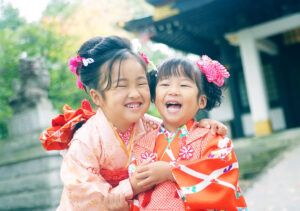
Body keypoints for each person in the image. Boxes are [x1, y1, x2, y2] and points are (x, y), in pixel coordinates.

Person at [39, 36, 228, 211]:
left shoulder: (154, 126)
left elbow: (184, 142)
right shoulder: (85, 142)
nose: (135, 93)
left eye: (140, 83)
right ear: (97, 96)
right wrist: (130, 187)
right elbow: (83, 196)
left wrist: (202, 127)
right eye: (122, 85)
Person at [130, 56, 247, 210]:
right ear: (154, 97)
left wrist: (171, 172)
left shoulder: (213, 138)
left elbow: (222, 179)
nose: (173, 91)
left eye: (184, 85)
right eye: (165, 84)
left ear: (202, 101)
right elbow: (135, 195)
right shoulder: (141, 144)